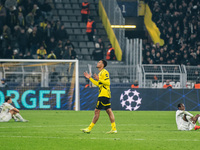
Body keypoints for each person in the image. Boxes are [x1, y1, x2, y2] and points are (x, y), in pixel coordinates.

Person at [81, 59, 117, 134]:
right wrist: (90, 78)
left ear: (103, 65)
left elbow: (108, 82)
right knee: (109, 111)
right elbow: (98, 84)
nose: (98, 63)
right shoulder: (100, 73)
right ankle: (114, 129)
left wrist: (99, 79)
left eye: (99, 62)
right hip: (105, 94)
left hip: (103, 95)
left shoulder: (105, 72)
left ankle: (89, 128)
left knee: (97, 111)